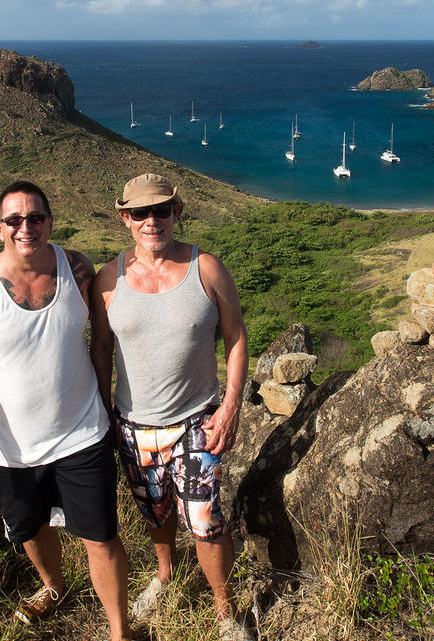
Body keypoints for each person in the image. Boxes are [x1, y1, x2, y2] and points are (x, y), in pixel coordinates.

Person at [0, 180, 131, 641]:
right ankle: (53, 586)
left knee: (101, 537)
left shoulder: (77, 269)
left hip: (82, 431)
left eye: (35, 218)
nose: (26, 227)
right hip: (11, 447)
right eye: (14, 220)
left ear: (50, 222)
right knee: (30, 529)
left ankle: (119, 631)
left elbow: (107, 338)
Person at [91, 173, 253, 641]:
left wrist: (230, 406)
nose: (151, 221)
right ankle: (165, 574)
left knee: (204, 520)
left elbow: (236, 337)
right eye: (139, 212)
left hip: (195, 422)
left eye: (161, 210)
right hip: (133, 425)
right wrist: (105, 408)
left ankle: (226, 613)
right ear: (124, 218)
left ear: (177, 212)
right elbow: (100, 349)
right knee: (154, 514)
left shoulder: (207, 269)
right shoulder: (108, 279)